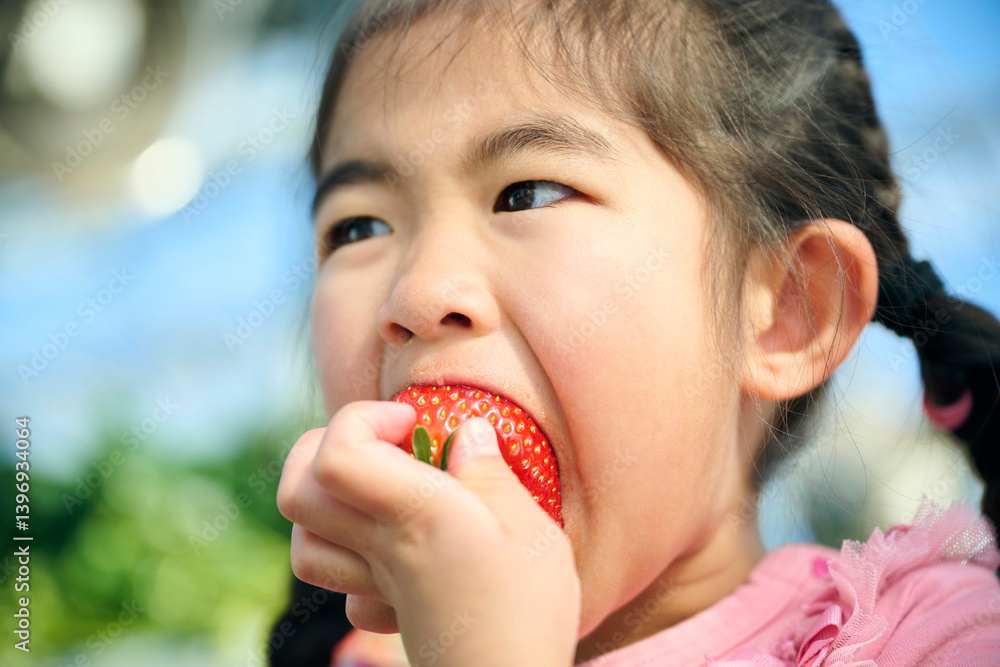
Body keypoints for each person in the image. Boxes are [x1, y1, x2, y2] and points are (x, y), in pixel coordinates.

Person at [272, 0, 1000, 665]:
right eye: (358, 226)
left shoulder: (935, 638)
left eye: (526, 193)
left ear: (786, 311)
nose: (418, 293)